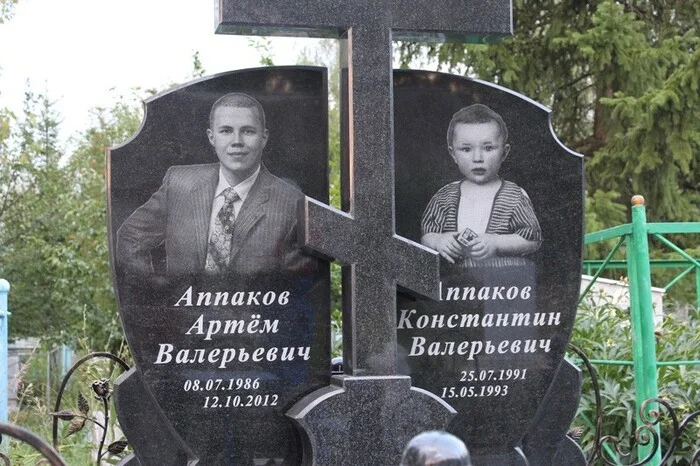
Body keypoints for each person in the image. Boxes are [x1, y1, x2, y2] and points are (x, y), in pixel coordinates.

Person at [116, 92, 311, 281]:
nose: (237, 142)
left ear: (264, 137)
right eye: (226, 131)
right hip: (185, 311)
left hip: (252, 315)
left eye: (248, 131)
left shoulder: (291, 203)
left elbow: (298, 287)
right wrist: (154, 293)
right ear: (211, 137)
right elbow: (131, 236)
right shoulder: (179, 183)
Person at [421, 104, 541, 265]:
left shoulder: (514, 196)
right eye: (466, 149)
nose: (477, 157)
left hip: (500, 284)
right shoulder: (444, 197)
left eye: (488, 148)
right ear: (453, 154)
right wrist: (438, 241)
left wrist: (496, 243)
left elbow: (532, 238)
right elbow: (427, 234)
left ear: (504, 152)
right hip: (454, 285)